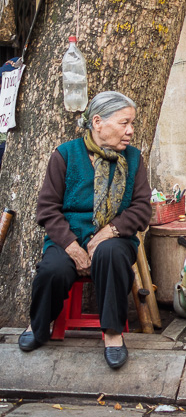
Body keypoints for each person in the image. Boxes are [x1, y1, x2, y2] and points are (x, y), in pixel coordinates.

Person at [18, 91, 151, 370]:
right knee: (52, 270)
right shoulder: (65, 155)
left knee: (110, 254)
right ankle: (39, 326)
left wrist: (107, 232)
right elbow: (47, 210)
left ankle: (113, 334)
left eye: (132, 124)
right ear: (98, 122)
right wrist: (71, 246)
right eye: (125, 123)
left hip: (115, 237)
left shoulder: (135, 160)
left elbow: (141, 209)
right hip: (69, 237)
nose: (131, 131)